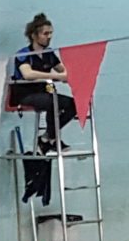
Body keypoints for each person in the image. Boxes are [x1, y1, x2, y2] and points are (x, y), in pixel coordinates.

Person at [10, 12, 78, 147]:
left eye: (51, 33)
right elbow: (28, 74)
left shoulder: (49, 54)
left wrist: (73, 75)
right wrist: (56, 76)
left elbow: (64, 70)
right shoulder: (24, 53)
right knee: (53, 101)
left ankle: (48, 136)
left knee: (73, 105)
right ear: (34, 36)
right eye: (45, 34)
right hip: (26, 95)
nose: (49, 37)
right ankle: (52, 139)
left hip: (44, 93)